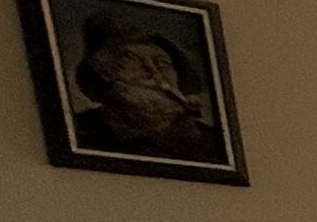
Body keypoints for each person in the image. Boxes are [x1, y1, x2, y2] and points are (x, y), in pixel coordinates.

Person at [69, 11, 221, 160]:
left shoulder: (212, 142)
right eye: (131, 59)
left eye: (162, 62)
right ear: (103, 71)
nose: (153, 71)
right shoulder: (81, 131)